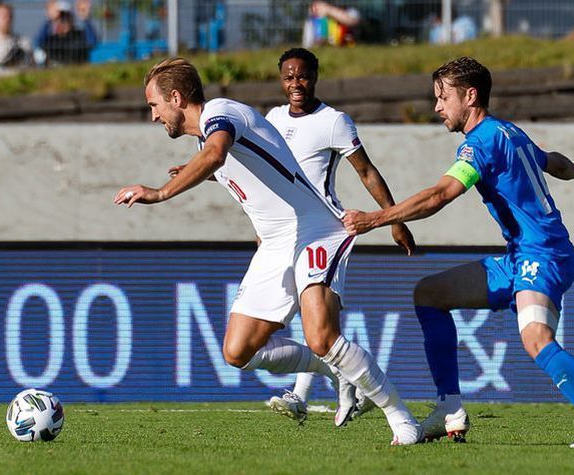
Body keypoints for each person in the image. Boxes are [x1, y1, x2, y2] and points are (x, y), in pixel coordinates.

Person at [114, 57, 423, 445]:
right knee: (237, 350)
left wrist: (159, 193)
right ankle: (336, 373)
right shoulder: (204, 139)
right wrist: (203, 170)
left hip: (314, 229)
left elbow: (217, 154)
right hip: (276, 242)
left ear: (175, 97)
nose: (154, 115)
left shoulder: (220, 114)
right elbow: (227, 162)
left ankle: (400, 418)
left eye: (154, 105)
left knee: (322, 337)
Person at [342, 56, 574, 448]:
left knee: (536, 338)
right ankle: (450, 407)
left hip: (542, 254)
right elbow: (553, 163)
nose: (437, 107)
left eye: (443, 97)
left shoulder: (480, 144)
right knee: (430, 295)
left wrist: (374, 219)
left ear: (470, 95)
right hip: (523, 256)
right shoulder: (509, 132)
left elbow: (440, 195)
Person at [263, 47, 415, 424]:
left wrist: (391, 219)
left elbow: (366, 172)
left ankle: (312, 394)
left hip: (326, 229)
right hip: (285, 229)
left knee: (313, 311)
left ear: (315, 76)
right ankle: (343, 383)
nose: (295, 84)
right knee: (315, 317)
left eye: (302, 76)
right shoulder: (273, 118)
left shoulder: (334, 121)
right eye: (288, 77)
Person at [35, 0, 97, 65]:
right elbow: (37, 44)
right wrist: (49, 20)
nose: (62, 20)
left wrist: (85, 19)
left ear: (71, 18)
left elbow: (92, 43)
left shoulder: (80, 35)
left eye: (66, 16)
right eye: (59, 17)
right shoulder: (51, 39)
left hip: (77, 68)